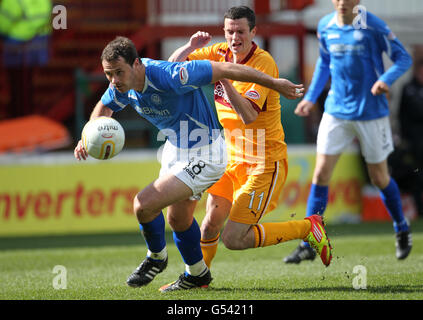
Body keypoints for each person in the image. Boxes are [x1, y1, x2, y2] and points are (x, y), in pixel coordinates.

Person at [74, 36, 308, 292]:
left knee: (143, 205)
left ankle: (156, 257)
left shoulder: (171, 76)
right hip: (176, 149)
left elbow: (225, 69)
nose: (114, 80)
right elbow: (104, 109)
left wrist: (275, 83)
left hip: (206, 153)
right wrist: (89, 134)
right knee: (178, 219)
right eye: (109, 74)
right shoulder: (121, 86)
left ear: (137, 64)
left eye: (118, 72)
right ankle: (197, 274)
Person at [168, 5, 332, 271]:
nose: (235, 38)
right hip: (229, 159)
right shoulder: (218, 52)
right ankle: (196, 278)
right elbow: (172, 69)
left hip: (263, 163)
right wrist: (188, 47)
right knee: (209, 224)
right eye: (230, 32)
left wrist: (225, 79)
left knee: (233, 239)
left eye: (241, 32)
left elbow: (248, 115)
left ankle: (307, 227)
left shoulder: (263, 62)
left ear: (253, 32)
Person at [284, 0, 413, 264]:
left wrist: (384, 81)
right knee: (320, 173)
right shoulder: (325, 26)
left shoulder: (373, 26)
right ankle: (309, 241)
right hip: (336, 111)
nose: (342, 3)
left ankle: (401, 227)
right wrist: (310, 97)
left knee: (379, 177)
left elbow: (403, 57)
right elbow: (324, 62)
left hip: (371, 113)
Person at [0, 0, 52, 118]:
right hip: (37, 49)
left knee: (17, 92)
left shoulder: (12, 2)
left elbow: (2, 25)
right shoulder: (44, 2)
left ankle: (19, 120)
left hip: (17, 50)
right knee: (27, 91)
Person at [397, 48, 423, 217]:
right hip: (415, 142)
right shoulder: (409, 89)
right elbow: (403, 114)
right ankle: (420, 210)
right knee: (418, 177)